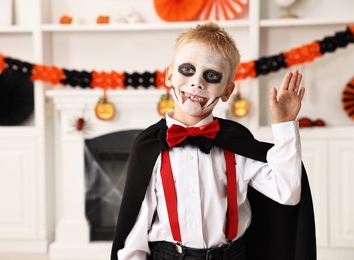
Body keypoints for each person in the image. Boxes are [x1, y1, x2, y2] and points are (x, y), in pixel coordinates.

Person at [111, 22, 316, 260]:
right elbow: (135, 230)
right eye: (187, 69)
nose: (197, 82)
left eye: (211, 75)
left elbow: (287, 192)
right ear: (169, 75)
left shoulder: (237, 143)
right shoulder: (150, 145)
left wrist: (284, 124)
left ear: (227, 91)